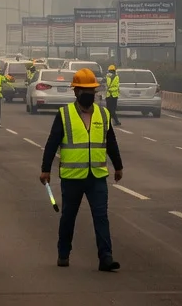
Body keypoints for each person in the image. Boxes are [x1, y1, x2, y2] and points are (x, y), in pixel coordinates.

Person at [40, 68, 122, 271]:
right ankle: (63, 253)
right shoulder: (64, 114)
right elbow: (52, 143)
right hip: (72, 177)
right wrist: (45, 169)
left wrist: (118, 166)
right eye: (84, 91)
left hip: (97, 176)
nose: (89, 95)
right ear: (75, 92)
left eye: (91, 91)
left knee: (101, 216)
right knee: (68, 216)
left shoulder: (103, 114)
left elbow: (110, 141)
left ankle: (106, 257)